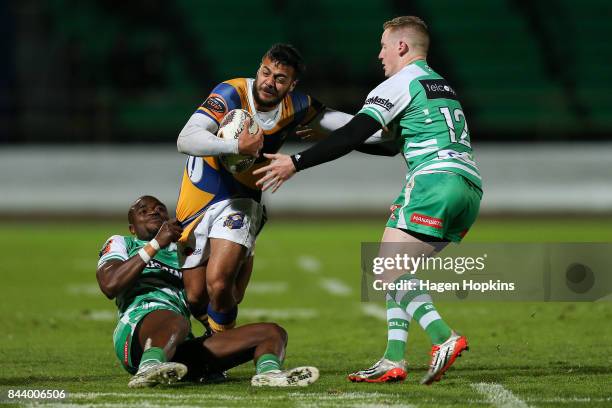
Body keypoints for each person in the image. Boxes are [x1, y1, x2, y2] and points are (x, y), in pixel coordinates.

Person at [253, 17, 483, 385]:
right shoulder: (438, 84)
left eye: (384, 45)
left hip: (433, 181)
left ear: (402, 48)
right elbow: (391, 146)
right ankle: (393, 358)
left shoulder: (399, 82)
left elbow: (356, 132)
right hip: (467, 186)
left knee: (387, 269)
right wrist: (339, 133)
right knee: (395, 270)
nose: (379, 55)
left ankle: (444, 337)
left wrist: (295, 162)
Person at [175, 43, 382, 334]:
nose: (269, 82)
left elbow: (355, 128)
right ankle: (217, 330)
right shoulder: (231, 92)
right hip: (199, 195)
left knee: (220, 284)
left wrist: (391, 129)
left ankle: (221, 355)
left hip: (242, 200)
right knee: (196, 296)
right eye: (265, 73)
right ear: (259, 68)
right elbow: (185, 139)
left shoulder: (299, 106)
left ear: (292, 84)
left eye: (280, 78)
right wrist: (235, 145)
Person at [96, 195, 319, 388]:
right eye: (143, 210)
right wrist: (155, 244)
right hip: (135, 336)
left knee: (272, 332)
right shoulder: (122, 242)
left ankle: (269, 375)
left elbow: (231, 294)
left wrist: (248, 242)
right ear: (132, 227)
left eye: (159, 208)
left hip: (178, 346)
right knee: (175, 320)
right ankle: (149, 367)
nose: (153, 211)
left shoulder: (188, 249)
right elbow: (110, 284)